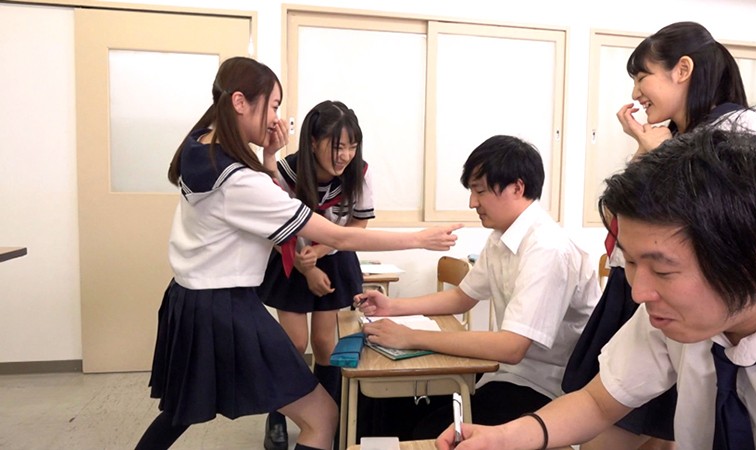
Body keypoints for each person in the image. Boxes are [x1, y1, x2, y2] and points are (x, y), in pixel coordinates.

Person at [134, 56, 460, 450]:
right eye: (273, 106)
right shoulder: (240, 181)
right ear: (239, 102)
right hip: (226, 306)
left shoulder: (199, 147)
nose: (277, 119)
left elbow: (293, 211)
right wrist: (419, 239)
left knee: (182, 409)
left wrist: (267, 157)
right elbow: (336, 236)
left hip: (189, 299)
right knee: (323, 418)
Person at [435, 127, 756, 450]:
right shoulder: (675, 315)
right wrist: (503, 438)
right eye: (633, 264)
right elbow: (598, 402)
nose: (639, 293)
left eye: (663, 270)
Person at [561, 21, 756, 450]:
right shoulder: (672, 136)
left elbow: (719, 216)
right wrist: (645, 148)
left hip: (686, 292)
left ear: (683, 70)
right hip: (638, 286)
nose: (636, 92)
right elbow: (620, 216)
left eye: (642, 76)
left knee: (640, 427)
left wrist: (654, 151)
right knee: (627, 418)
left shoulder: (740, 125)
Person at [355, 135, 600, 439]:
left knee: (430, 430)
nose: (473, 202)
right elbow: (462, 297)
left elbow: (512, 347)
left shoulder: (548, 248)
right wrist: (393, 307)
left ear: (517, 187)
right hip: (505, 373)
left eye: (480, 191)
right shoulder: (501, 238)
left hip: (545, 389)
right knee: (385, 407)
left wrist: (411, 337)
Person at [258, 100, 373, 450]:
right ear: (312, 141)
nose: (345, 156)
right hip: (289, 257)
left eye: (352, 146)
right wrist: (305, 267)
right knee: (294, 344)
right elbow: (271, 225)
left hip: (333, 258)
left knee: (325, 344)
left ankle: (329, 414)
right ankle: (277, 414)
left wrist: (320, 253)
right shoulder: (287, 173)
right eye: (337, 147)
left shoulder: (359, 173)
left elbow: (359, 224)